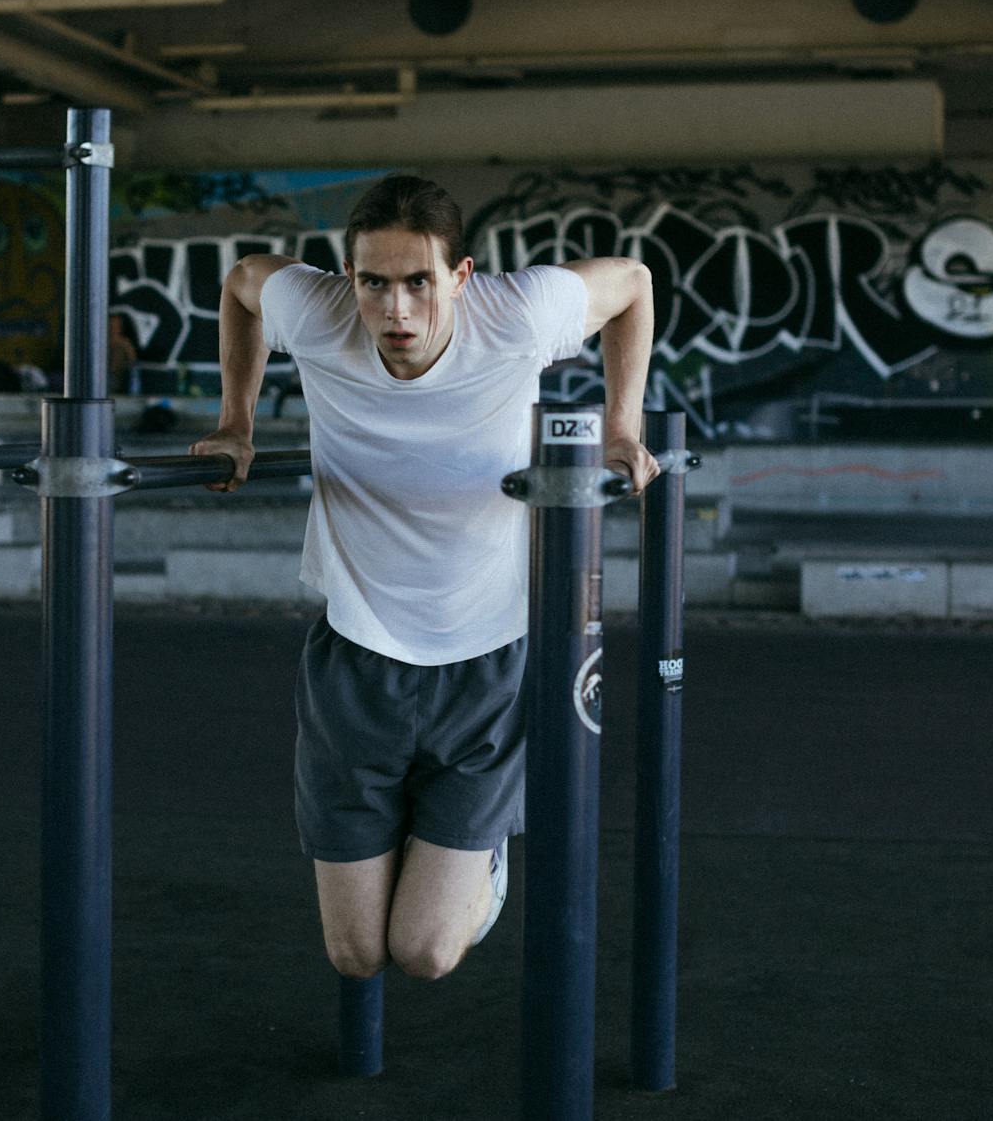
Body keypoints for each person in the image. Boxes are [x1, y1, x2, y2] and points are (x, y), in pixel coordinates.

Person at [191, 175, 658, 984]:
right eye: (374, 283)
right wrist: (238, 420)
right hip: (357, 659)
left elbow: (633, 284)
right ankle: (428, 844)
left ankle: (483, 863)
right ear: (348, 278)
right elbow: (240, 286)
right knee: (357, 953)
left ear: (460, 276)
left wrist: (622, 426)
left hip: (486, 664)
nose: (396, 310)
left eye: (418, 283)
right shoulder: (318, 310)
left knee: (426, 950)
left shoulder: (517, 313)